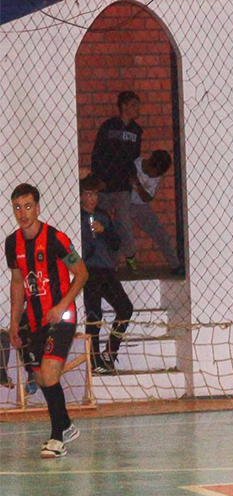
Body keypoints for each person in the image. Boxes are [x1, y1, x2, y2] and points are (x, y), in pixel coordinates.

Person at [7, 183, 90, 458]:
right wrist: (14, 322)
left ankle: (57, 439)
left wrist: (61, 305)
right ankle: (65, 424)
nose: (23, 213)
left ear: (38, 207)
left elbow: (81, 273)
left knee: (50, 373)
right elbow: (17, 283)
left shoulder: (56, 239)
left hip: (62, 317)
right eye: (18, 207)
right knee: (42, 377)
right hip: (34, 321)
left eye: (28, 206)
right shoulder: (12, 244)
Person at [80, 177, 132, 376]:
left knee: (125, 308)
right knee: (94, 315)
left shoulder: (102, 216)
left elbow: (116, 243)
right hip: (88, 271)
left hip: (106, 270)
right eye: (88, 194)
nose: (92, 198)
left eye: (95, 194)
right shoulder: (78, 217)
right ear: (81, 196)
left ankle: (110, 351)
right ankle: (93, 359)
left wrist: (104, 232)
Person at [91, 91, 143, 255]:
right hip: (105, 184)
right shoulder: (109, 126)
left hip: (122, 186)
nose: (138, 109)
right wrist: (98, 178)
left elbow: (133, 158)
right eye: (134, 105)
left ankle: (129, 257)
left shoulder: (136, 131)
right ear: (124, 106)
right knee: (102, 223)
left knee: (124, 224)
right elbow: (97, 153)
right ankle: (100, 258)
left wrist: (132, 178)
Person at [121, 149, 182, 277]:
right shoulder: (135, 164)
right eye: (156, 172)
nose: (156, 176)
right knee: (121, 233)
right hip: (124, 203)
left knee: (160, 233)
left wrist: (137, 183)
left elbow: (146, 197)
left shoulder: (156, 177)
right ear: (150, 163)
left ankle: (175, 265)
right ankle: (112, 267)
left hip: (141, 207)